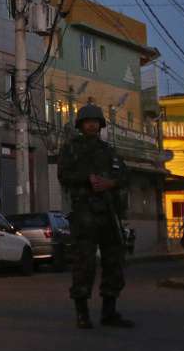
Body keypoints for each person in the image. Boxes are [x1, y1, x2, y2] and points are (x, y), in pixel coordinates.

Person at [57, 104, 134, 329]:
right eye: (87, 121)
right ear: (80, 125)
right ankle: (82, 313)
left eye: (95, 121)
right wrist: (88, 179)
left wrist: (111, 183)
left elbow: (124, 175)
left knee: (114, 261)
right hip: (84, 213)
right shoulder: (71, 149)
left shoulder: (109, 150)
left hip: (109, 212)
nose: (92, 124)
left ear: (101, 125)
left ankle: (109, 312)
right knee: (84, 263)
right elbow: (64, 174)